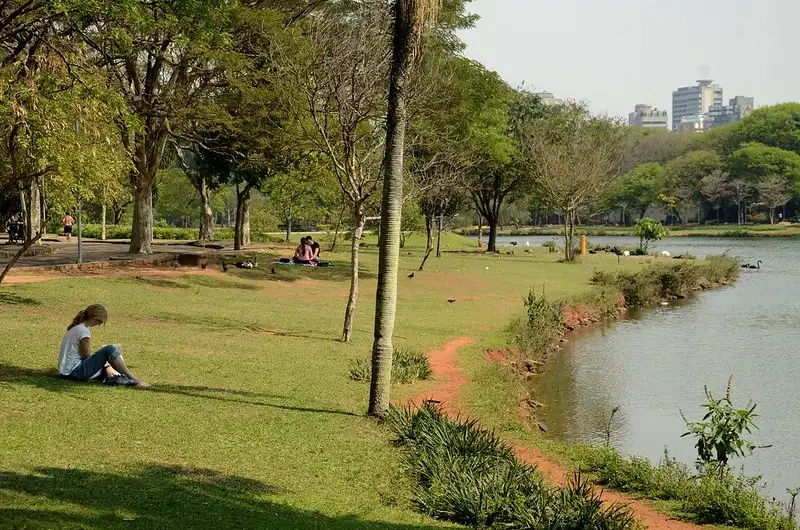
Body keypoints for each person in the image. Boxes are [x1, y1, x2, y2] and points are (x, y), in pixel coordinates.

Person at [58, 304, 150, 387]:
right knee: (109, 349)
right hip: (73, 372)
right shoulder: (83, 331)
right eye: (100, 322)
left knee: (112, 349)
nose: (99, 324)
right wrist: (102, 361)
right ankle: (134, 379)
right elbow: (85, 355)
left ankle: (116, 377)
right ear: (95, 318)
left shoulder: (76, 328)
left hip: (67, 371)